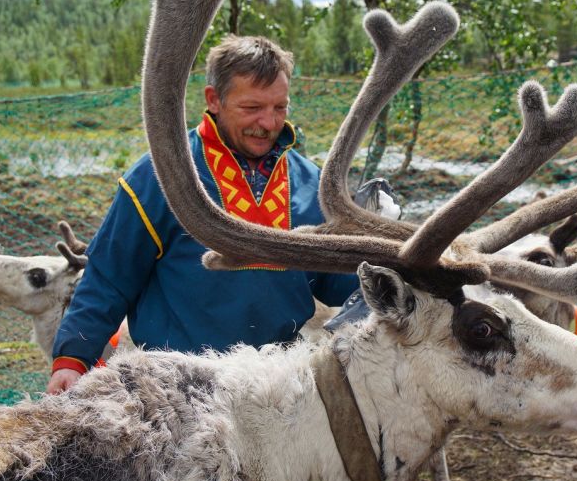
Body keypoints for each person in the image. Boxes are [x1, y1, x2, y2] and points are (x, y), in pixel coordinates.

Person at [47, 35, 359, 393]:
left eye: (280, 108)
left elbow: (337, 281)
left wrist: (392, 270)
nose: (269, 123)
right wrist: (72, 359)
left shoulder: (311, 183)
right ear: (214, 100)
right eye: (252, 108)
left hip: (276, 382)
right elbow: (109, 277)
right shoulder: (160, 175)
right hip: (177, 386)